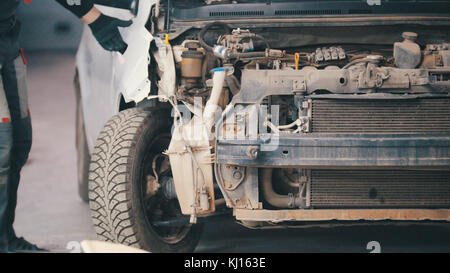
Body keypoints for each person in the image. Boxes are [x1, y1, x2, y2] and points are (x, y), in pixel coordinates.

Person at [0, 0, 133, 253]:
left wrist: (96, 18)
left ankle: (5, 239)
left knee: (19, 143)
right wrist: (95, 18)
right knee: (1, 144)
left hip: (6, 36)